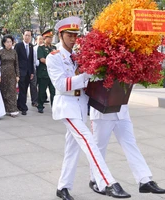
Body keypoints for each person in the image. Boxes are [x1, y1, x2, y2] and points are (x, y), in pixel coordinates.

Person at [46, 17, 131, 200]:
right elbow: (61, 84)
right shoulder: (54, 58)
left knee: (72, 148)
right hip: (66, 106)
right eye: (69, 35)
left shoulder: (78, 56)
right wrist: (86, 75)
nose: (73, 39)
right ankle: (107, 182)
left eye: (75, 35)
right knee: (88, 140)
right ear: (60, 35)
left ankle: (63, 187)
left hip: (80, 106)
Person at [89, 105, 165, 195]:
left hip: (122, 112)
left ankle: (144, 180)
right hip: (102, 114)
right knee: (99, 149)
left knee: (131, 145)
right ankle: (95, 180)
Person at [14, 30, 35, 115]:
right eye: (26, 35)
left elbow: (31, 60)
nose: (27, 37)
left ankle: (19, 104)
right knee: (22, 89)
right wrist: (16, 72)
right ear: (23, 36)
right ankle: (23, 107)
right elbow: (15, 60)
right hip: (20, 71)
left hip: (28, 72)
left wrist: (32, 72)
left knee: (25, 89)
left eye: (29, 36)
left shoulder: (31, 46)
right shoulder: (18, 46)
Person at [0, 34, 20, 117]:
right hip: (2, 74)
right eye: (7, 42)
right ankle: (3, 109)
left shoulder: (14, 52)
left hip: (12, 74)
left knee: (12, 92)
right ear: (4, 43)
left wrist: (18, 75)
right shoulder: (0, 52)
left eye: (10, 42)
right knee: (3, 91)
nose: (9, 43)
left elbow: (16, 64)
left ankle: (12, 109)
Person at [37, 29, 56, 113]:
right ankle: (40, 106)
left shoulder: (54, 48)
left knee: (53, 92)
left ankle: (54, 107)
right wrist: (51, 63)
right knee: (42, 91)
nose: (51, 39)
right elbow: (42, 59)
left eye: (51, 37)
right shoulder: (40, 48)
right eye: (49, 37)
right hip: (44, 73)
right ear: (45, 38)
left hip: (53, 74)